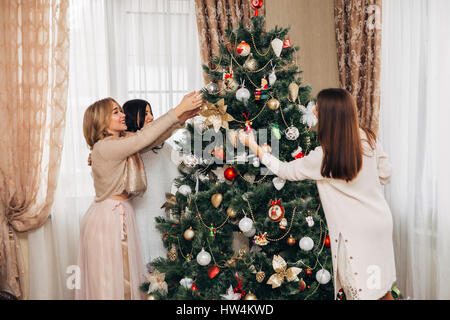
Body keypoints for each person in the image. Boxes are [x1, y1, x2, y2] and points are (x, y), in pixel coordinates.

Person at [239, 88, 396, 300]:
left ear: (330, 116)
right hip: (380, 225)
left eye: (318, 109)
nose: (314, 113)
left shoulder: (324, 155)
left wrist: (253, 145)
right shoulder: (368, 138)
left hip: (355, 235)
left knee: (362, 294)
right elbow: (386, 175)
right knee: (380, 289)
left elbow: (284, 170)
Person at [76, 92, 202, 300]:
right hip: (108, 220)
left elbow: (150, 138)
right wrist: (178, 110)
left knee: (126, 279)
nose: (123, 114)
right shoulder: (107, 147)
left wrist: (181, 119)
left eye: (121, 110)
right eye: (116, 112)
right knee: (112, 282)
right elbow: (144, 138)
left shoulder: (121, 141)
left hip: (120, 214)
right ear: (101, 121)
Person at [122, 99, 179, 264]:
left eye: (151, 112)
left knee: (160, 258)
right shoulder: (127, 147)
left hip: (161, 211)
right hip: (137, 212)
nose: (151, 117)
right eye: (145, 113)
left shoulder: (163, 147)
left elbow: (180, 171)